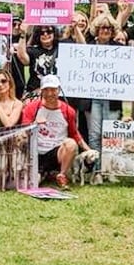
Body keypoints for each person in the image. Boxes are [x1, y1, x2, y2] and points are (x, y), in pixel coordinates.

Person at [20, 75, 91, 190]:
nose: (49, 93)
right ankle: (42, 173)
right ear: (41, 91)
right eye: (46, 90)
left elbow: (74, 133)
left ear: (58, 90)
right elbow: (23, 131)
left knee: (71, 144)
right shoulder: (32, 108)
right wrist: (34, 124)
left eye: (53, 90)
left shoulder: (68, 111)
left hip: (56, 152)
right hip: (35, 152)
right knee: (33, 182)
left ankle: (61, 174)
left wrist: (88, 149)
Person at [87, 13, 124, 154]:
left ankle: (110, 166)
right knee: (94, 133)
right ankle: (96, 168)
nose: (106, 30)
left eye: (109, 28)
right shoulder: (88, 48)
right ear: (96, 30)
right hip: (93, 97)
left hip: (112, 97)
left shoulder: (120, 49)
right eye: (102, 27)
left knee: (111, 133)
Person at [16, 23, 58, 94]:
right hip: (36, 93)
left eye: (49, 32)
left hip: (56, 93)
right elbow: (22, 57)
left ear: (54, 33)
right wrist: (23, 34)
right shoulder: (33, 50)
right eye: (41, 33)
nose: (45, 34)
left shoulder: (62, 49)